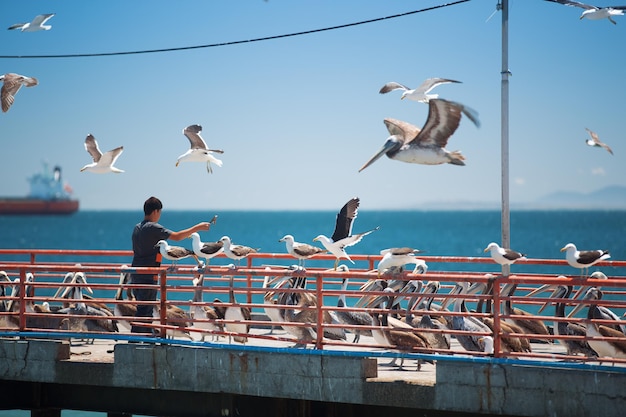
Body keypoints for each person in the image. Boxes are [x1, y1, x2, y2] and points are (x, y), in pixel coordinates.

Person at [130, 196, 211, 334]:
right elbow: (177, 236)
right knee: (146, 310)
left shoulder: (137, 228)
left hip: (136, 272)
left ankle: (138, 339)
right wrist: (198, 227)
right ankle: (139, 340)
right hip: (149, 275)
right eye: (160, 213)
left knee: (142, 308)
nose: (159, 216)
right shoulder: (153, 227)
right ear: (155, 211)